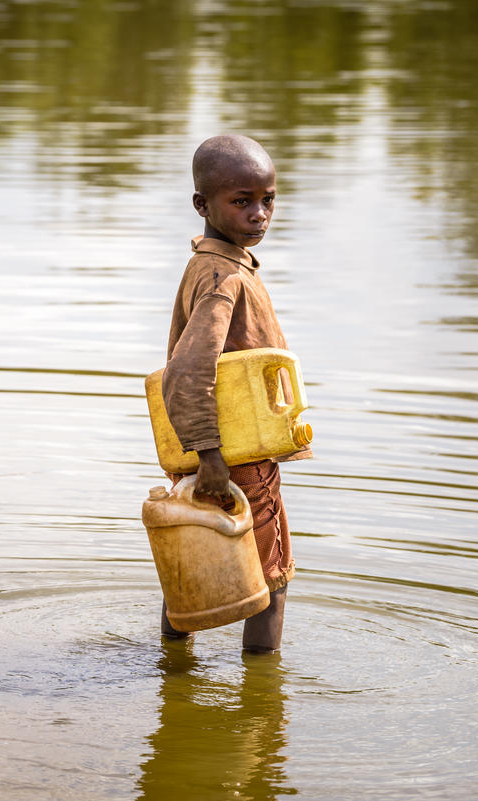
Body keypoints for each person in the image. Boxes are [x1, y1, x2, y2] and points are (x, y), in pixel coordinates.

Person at [159, 134, 311, 654]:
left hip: (209, 449)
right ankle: (262, 703)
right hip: (232, 453)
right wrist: (213, 459)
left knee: (190, 560)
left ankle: (172, 667)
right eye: (241, 201)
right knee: (273, 579)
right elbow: (185, 373)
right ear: (202, 205)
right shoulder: (225, 276)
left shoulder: (215, 265)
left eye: (267, 199)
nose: (259, 214)